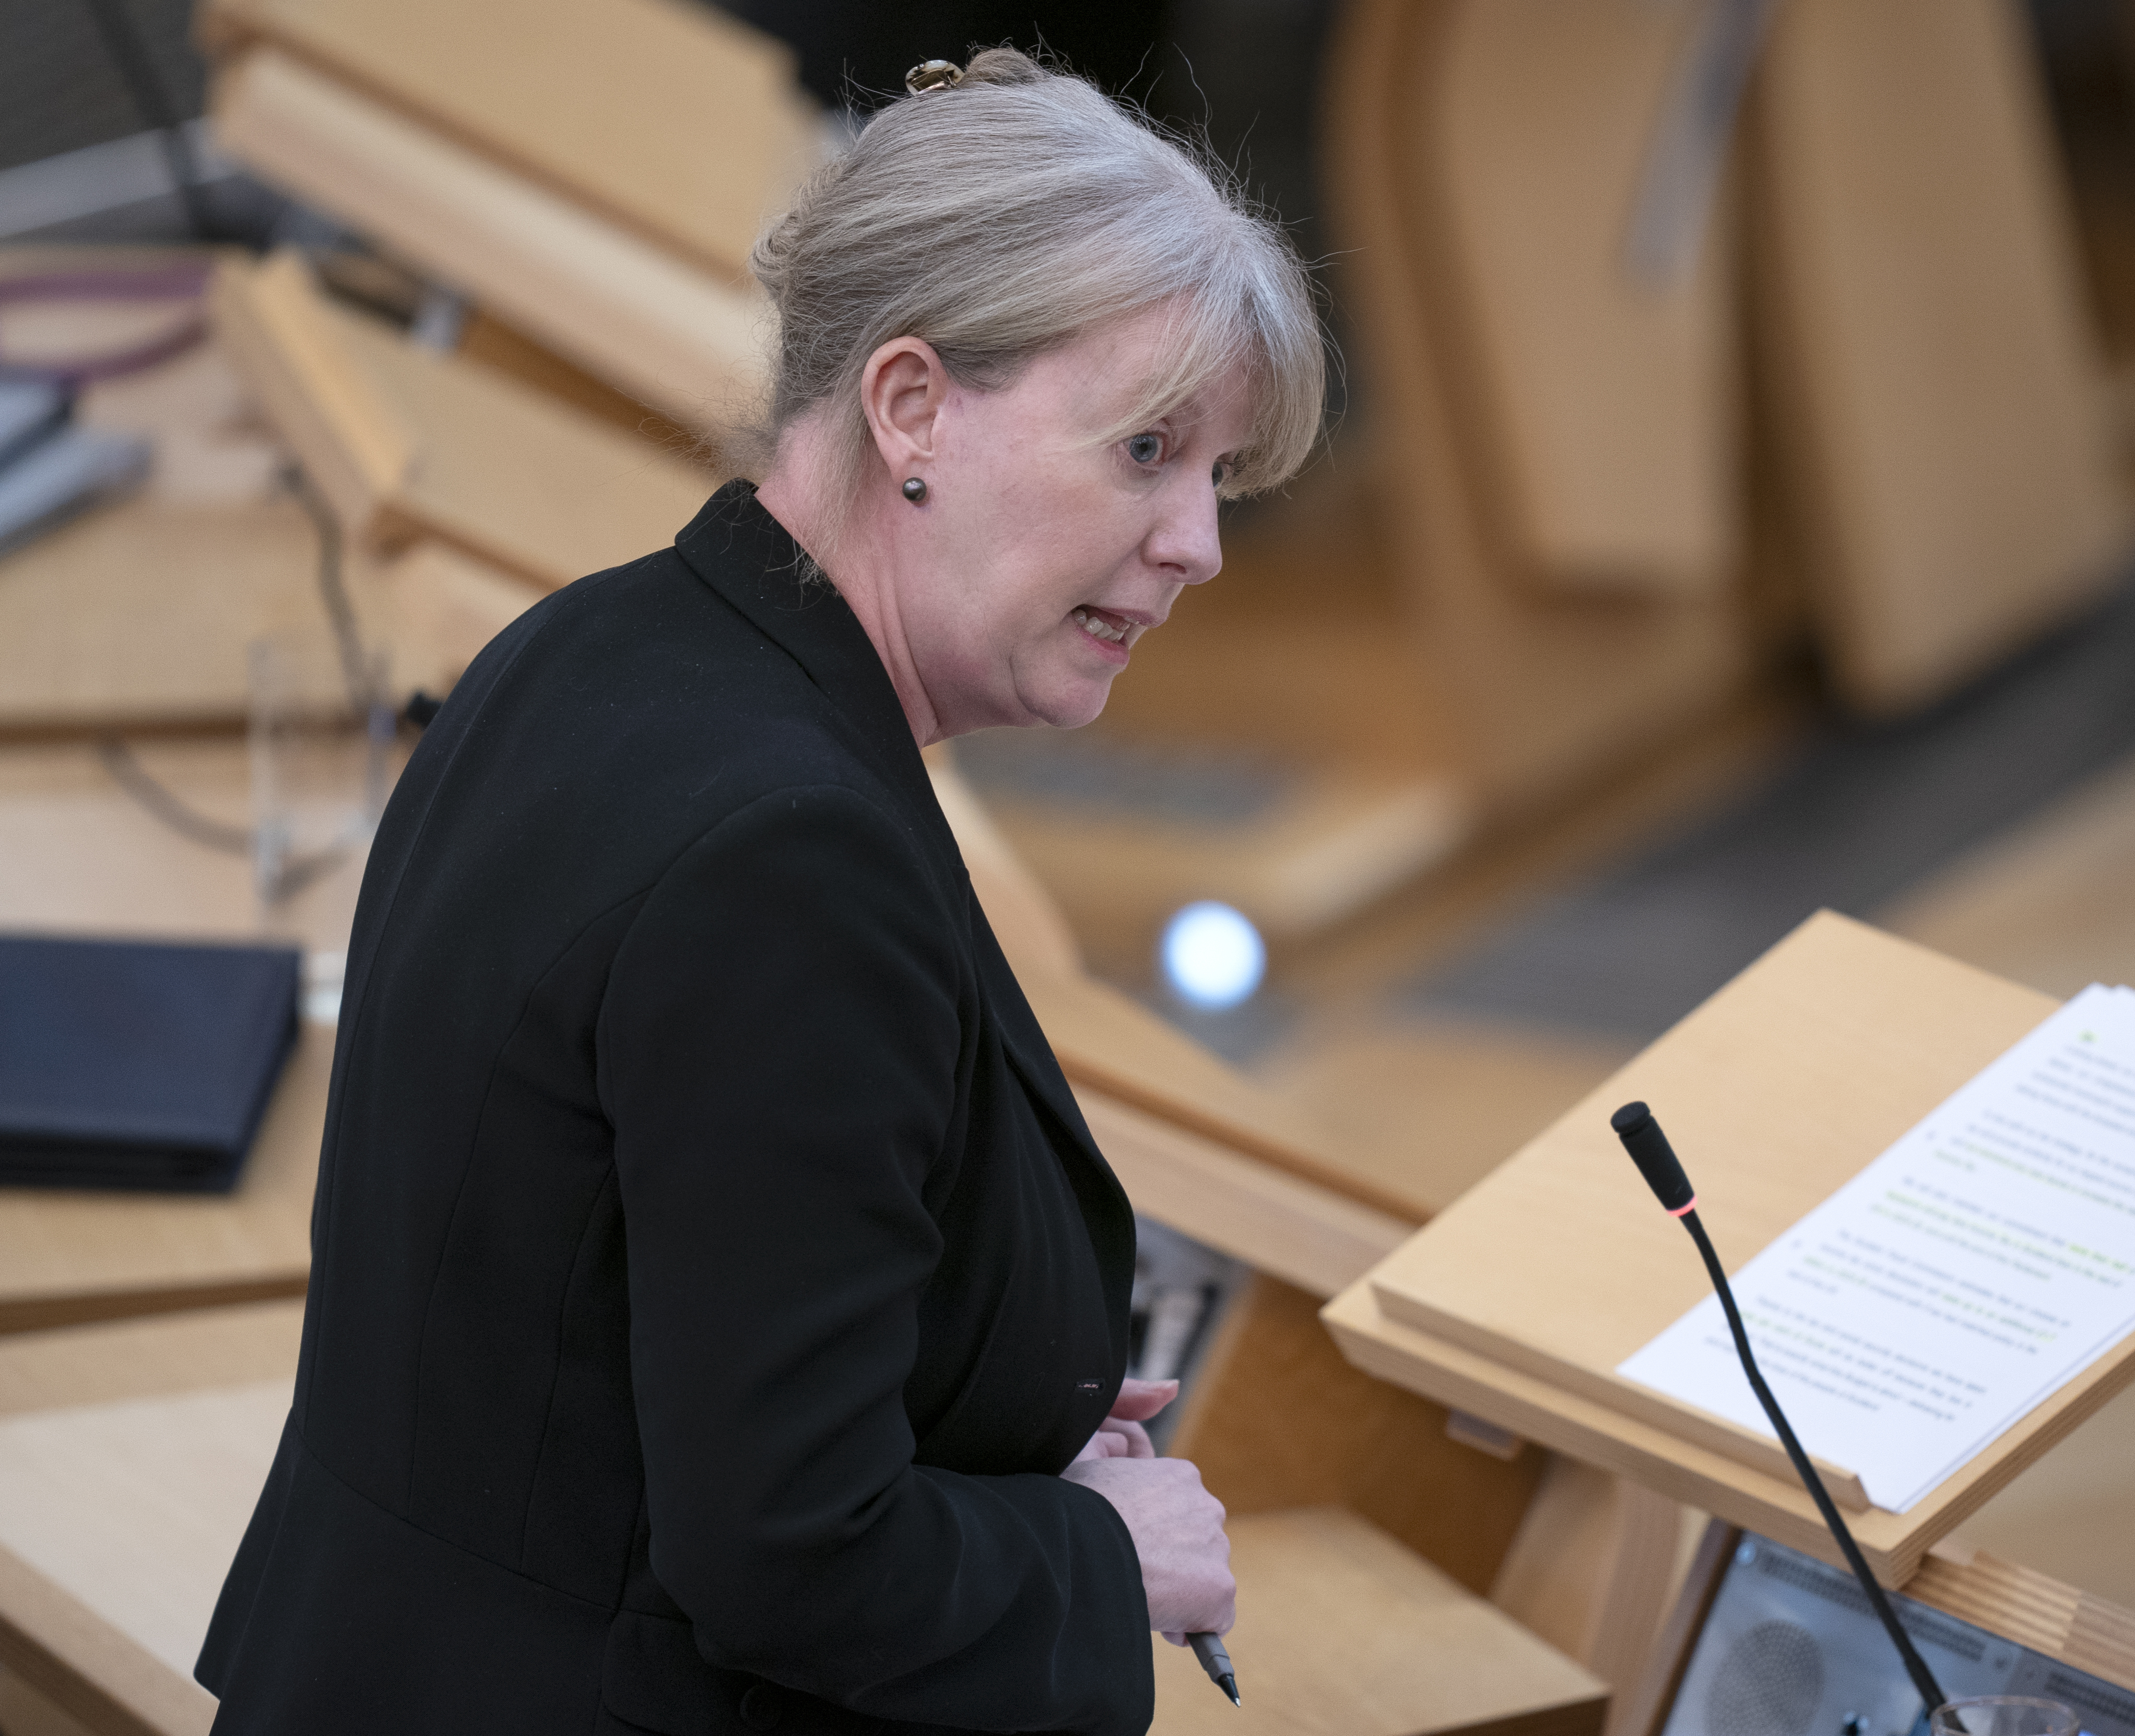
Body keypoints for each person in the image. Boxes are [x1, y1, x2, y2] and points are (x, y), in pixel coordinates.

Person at [194, 46, 1323, 1734]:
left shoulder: (581, 645)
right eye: (1147, 450)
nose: (1195, 546)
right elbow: (790, 1554)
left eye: (1214, 478)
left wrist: (987, 1397)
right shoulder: (794, 857)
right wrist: (1102, 1555)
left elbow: (599, 1297)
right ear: (913, 407)